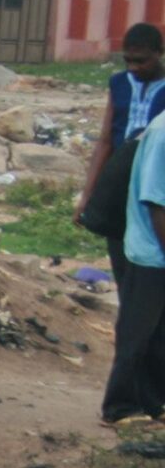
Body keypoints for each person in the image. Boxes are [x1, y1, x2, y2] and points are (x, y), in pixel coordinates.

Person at [81, 22, 165, 285]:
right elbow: (106, 140)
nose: (133, 68)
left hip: (154, 180)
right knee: (120, 255)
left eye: (141, 61)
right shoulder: (119, 83)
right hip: (120, 179)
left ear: (159, 53)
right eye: (128, 61)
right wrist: (87, 195)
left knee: (150, 256)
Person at [112, 78, 165, 428]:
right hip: (151, 250)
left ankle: (153, 403)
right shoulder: (163, 133)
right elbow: (155, 201)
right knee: (137, 332)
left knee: (158, 334)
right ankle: (118, 406)